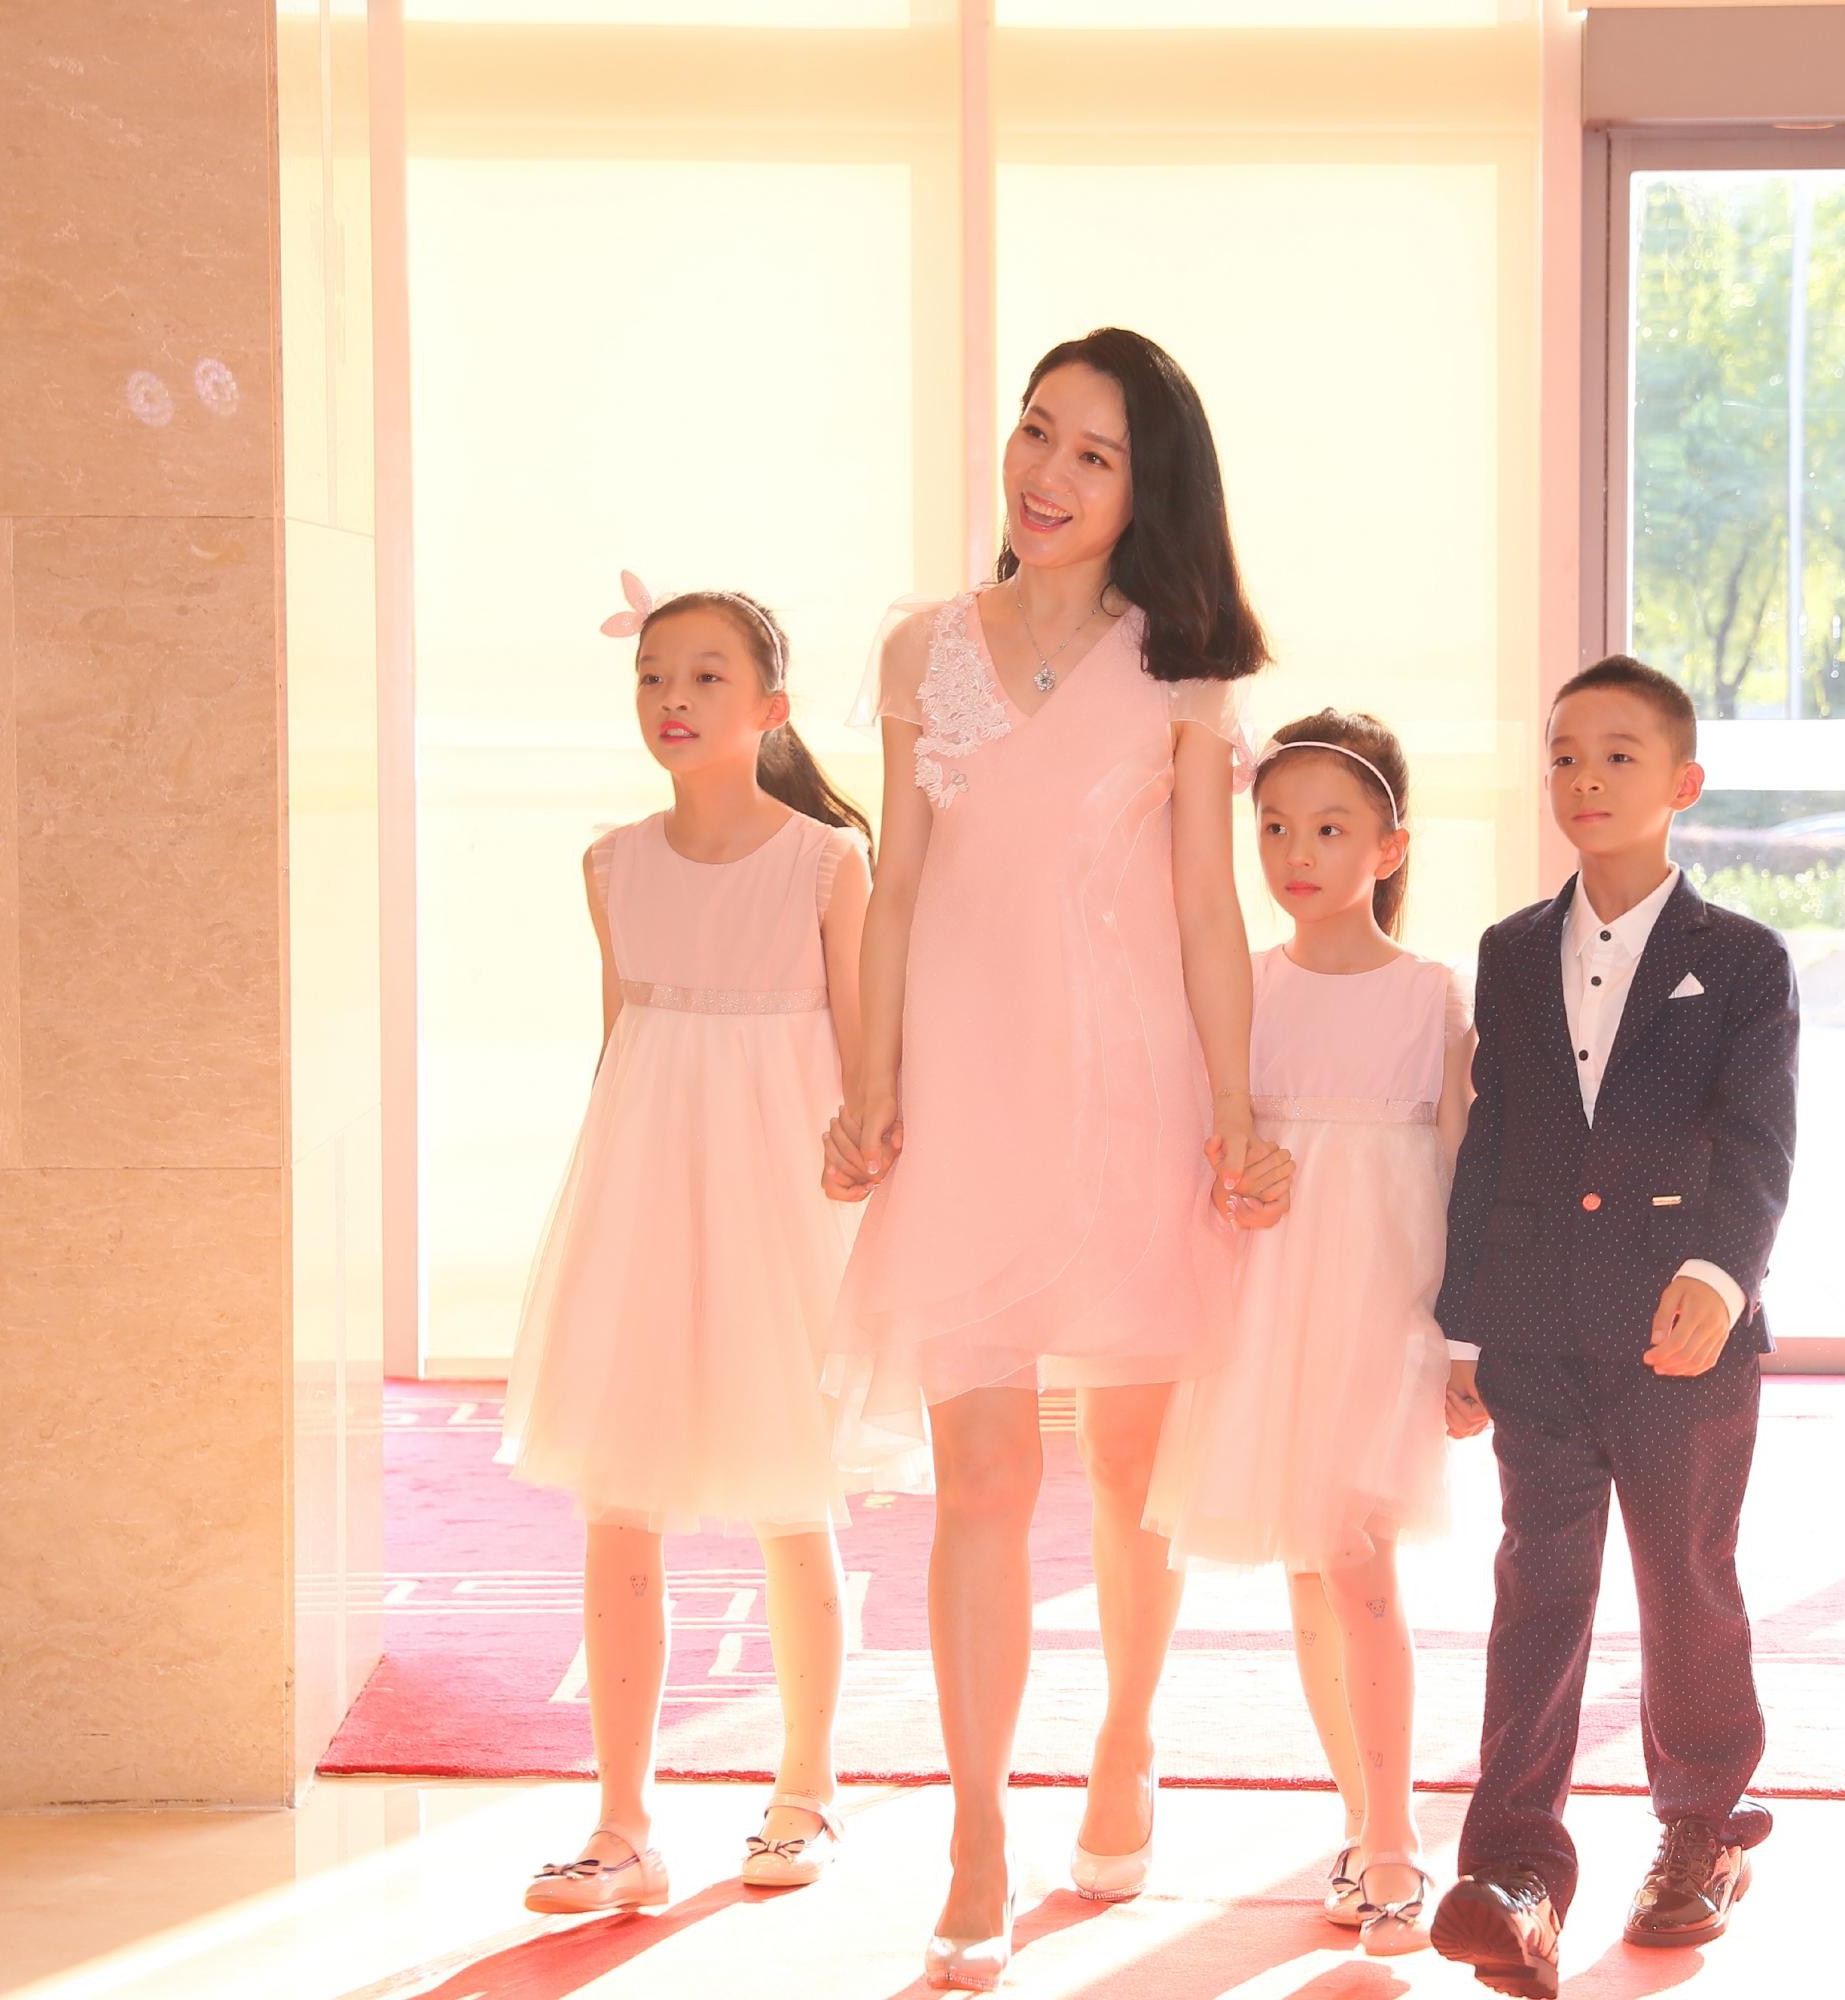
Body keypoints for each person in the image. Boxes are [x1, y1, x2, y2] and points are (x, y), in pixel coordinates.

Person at [822, 327, 1289, 1992]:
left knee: (1131, 1466)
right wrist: (870, 1083)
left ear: (1148, 489)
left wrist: (1236, 1108)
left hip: (1129, 1094)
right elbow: (895, 887)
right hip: (966, 1092)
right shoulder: (924, 647)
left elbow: (1204, 910)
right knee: (982, 1479)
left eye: (1096, 453)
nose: (1050, 474)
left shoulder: (1184, 672)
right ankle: (974, 1832)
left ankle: (1128, 1740)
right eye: (1038, 433)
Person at [500, 576, 879, 1915]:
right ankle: (621, 1824)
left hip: (782, 1199)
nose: (674, 698)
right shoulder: (612, 864)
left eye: (708, 675)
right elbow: (622, 1048)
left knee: (792, 1491)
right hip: (643, 1197)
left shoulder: (826, 862)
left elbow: (861, 1050)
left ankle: (805, 1793)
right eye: (655, 675)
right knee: (619, 1497)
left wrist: (864, 1171)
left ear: (770, 707)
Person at [1426, 657, 1800, 1998]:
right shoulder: (1510, 950)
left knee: (1684, 1576)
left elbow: (1759, 1137)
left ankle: (1705, 1829)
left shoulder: (1742, 958)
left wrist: (1722, 1272)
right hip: (1534, 1326)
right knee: (1538, 1582)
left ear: (1682, 782)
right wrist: (1464, 1328)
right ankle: (1514, 1869)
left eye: (1619, 755)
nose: (1584, 777)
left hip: (1678, 1330)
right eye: (1565, 755)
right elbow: (1493, 1141)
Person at [1141, 709, 1490, 1961]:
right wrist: (1235, 1186)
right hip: (1268, 1311)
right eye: (1276, 826)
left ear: (1390, 846)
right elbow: (1207, 1155)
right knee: (1310, 1566)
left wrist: (1467, 1344)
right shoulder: (1242, 985)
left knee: (1357, 1560)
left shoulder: (1433, 994)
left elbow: (1467, 1173)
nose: (1297, 851)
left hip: (1384, 1311)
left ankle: (1394, 1838)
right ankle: (1358, 1815)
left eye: (1331, 828)